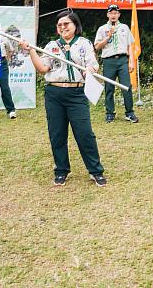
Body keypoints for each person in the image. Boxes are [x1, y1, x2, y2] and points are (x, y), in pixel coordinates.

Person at [27, 10, 107, 187]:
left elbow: (93, 65)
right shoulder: (51, 46)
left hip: (77, 94)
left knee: (84, 133)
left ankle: (96, 171)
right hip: (54, 94)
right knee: (57, 134)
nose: (63, 27)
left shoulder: (84, 44)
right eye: (59, 25)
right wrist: (31, 52)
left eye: (66, 24)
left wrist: (90, 71)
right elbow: (43, 68)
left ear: (75, 26)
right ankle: (61, 170)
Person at [94, 4, 138, 123]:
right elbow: (97, 46)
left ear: (119, 14)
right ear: (108, 14)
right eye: (111, 13)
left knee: (126, 86)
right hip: (109, 60)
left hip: (123, 60)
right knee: (109, 87)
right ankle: (110, 113)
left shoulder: (124, 27)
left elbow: (130, 45)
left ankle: (129, 112)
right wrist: (108, 37)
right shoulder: (102, 29)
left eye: (115, 13)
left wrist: (131, 61)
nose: (113, 15)